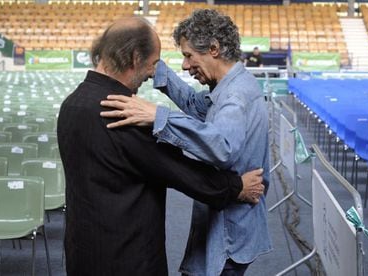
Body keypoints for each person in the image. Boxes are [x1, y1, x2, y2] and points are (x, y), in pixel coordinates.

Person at [57, 17, 265, 276]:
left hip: (83, 252)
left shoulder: (72, 104)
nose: (184, 65)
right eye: (153, 64)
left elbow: (215, 137)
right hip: (126, 258)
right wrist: (237, 187)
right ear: (135, 58)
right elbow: (181, 168)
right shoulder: (121, 113)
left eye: (188, 56)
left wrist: (159, 112)